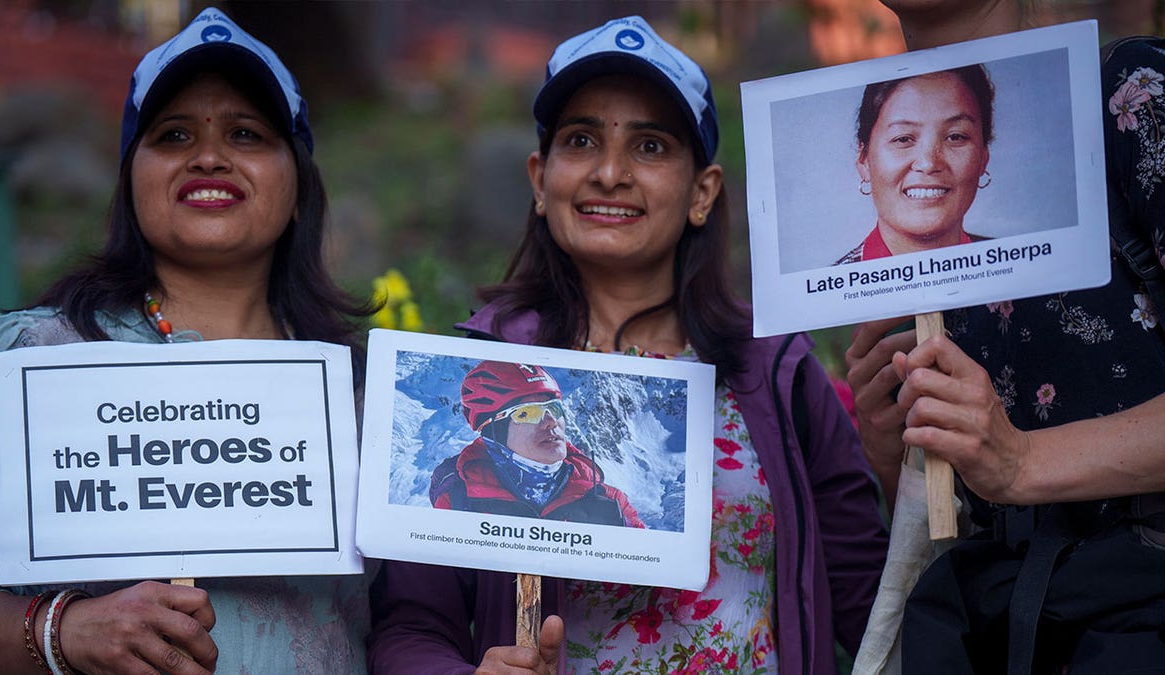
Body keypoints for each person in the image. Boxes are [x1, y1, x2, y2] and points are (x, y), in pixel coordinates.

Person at [369, 15, 888, 675]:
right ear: (538, 178)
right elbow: (410, 625)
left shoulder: (777, 370)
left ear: (703, 192)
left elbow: (875, 607)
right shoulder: (481, 376)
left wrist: (905, 468)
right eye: (581, 140)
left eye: (650, 146)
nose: (610, 172)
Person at [0, 8, 376, 673]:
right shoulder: (36, 358)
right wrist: (62, 628)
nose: (208, 156)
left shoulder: (360, 397)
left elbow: (401, 623)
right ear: (131, 180)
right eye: (173, 133)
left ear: (299, 186)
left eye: (245, 133)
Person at [846, 1, 1165, 671]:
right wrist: (895, 452)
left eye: (958, 136)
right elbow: (964, 498)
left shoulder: (1133, 96)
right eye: (903, 140)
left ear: (985, 150)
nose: (928, 159)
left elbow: (1009, 459)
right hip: (985, 627)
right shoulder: (916, 234)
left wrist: (1021, 461)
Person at [429, 360, 644, 527]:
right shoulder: (458, 497)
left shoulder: (609, 502)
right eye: (528, 413)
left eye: (555, 409)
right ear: (495, 431)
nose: (551, 422)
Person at [835, 65, 994, 264]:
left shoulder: (1016, 269)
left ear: (983, 157)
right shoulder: (828, 293)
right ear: (864, 159)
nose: (928, 163)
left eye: (955, 136)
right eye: (903, 139)